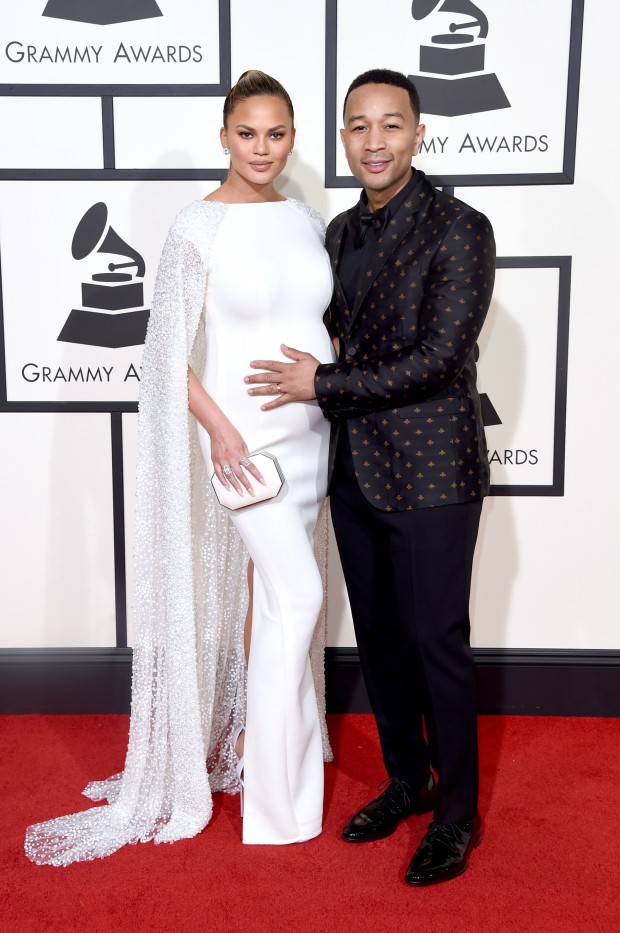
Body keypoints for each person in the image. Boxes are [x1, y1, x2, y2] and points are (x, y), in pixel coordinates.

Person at [25, 70, 335, 866]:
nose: (261, 149)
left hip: (312, 435)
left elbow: (315, 318)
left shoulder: (303, 218)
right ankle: (277, 803)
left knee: (281, 604)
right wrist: (221, 432)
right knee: (298, 595)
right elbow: (164, 350)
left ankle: (280, 766)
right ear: (223, 135)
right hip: (244, 440)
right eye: (247, 133)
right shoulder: (197, 225)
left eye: (276, 134)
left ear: (291, 138)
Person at [245, 68, 495, 885]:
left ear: (419, 133)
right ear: (345, 138)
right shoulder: (340, 233)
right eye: (359, 126)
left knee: (437, 646)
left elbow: (437, 359)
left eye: (392, 124)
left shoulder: (460, 227)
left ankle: (457, 815)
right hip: (353, 467)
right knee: (382, 643)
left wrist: (319, 384)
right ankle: (408, 779)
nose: (375, 140)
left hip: (431, 472)